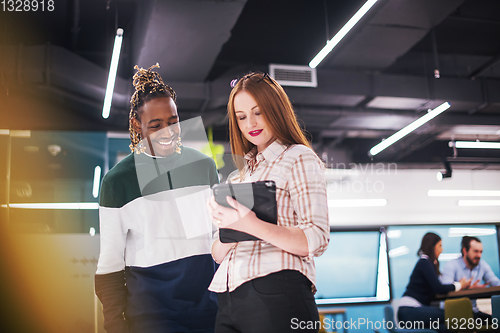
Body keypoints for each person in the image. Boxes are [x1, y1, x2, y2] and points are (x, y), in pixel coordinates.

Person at [95, 64, 219, 333]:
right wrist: (116, 325)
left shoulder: (204, 166)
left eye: (173, 122)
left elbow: (219, 239)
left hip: (210, 314)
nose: (168, 132)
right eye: (156, 125)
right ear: (136, 125)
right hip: (152, 319)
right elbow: (110, 265)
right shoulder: (117, 182)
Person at [207, 72, 330, 333]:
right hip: (227, 298)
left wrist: (250, 224)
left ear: (276, 110)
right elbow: (217, 253)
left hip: (277, 292)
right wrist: (232, 228)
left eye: (258, 112)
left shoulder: (298, 157)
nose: (249, 122)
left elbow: (316, 239)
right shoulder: (236, 177)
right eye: (241, 117)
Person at [397, 232, 470, 333]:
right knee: (454, 314)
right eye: (440, 245)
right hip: (410, 311)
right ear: (432, 246)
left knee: (445, 328)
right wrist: (460, 285)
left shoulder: (428, 263)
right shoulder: (424, 262)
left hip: (411, 311)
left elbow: (437, 288)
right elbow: (439, 288)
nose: (442, 249)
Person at [440, 236, 500, 318]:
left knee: (496, 322)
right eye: (476, 251)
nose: (479, 255)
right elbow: (445, 289)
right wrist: (466, 288)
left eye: (481, 252)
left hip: (473, 311)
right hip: (454, 313)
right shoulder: (451, 265)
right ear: (465, 250)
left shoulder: (482, 265)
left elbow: (495, 282)